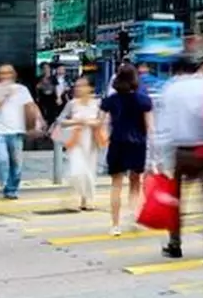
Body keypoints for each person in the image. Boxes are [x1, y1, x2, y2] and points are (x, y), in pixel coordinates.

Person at [156, 56, 203, 264]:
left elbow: (163, 126)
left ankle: (175, 244)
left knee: (175, 200)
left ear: (176, 71)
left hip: (179, 151)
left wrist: (160, 158)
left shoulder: (170, 89)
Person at [101, 65, 153, 235]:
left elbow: (100, 122)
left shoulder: (110, 100)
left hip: (117, 143)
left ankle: (115, 225)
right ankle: (134, 216)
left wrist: (101, 136)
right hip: (138, 144)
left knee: (116, 184)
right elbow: (149, 127)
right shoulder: (144, 100)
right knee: (135, 182)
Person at [0, 65, 41, 199]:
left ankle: (11, 190)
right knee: (2, 159)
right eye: (2, 73)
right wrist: (4, 94)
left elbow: (30, 106)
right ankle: (4, 181)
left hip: (17, 130)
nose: (5, 76)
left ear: (13, 74)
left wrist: (38, 121)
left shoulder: (22, 89)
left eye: (8, 73)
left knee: (16, 163)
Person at [61, 77, 103, 212]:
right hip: (76, 140)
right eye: (77, 86)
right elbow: (61, 120)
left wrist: (90, 122)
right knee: (76, 170)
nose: (78, 89)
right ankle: (77, 197)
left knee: (89, 171)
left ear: (90, 88)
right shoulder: (72, 104)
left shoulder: (97, 103)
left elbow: (102, 121)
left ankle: (87, 200)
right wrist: (76, 121)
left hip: (92, 140)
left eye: (82, 86)